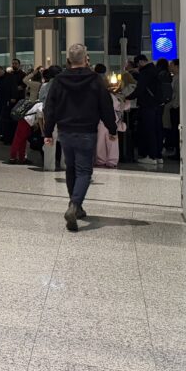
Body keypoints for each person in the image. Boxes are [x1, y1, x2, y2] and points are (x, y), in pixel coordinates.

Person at [43, 44, 118, 232]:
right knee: (84, 171)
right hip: (87, 131)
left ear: (68, 60)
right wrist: (112, 129)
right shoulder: (95, 80)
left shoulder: (58, 80)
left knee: (71, 168)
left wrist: (47, 132)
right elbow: (106, 106)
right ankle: (74, 206)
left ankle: (76, 206)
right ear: (86, 59)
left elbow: (50, 107)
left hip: (65, 131)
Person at [132, 54, 163, 165]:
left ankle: (151, 156)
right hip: (157, 105)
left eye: (137, 64)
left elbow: (140, 89)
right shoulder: (154, 70)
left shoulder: (145, 72)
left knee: (149, 131)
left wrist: (127, 97)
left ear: (140, 62)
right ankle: (158, 156)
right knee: (157, 130)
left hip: (147, 105)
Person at [164, 59, 180, 158]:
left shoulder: (178, 79)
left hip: (176, 106)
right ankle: (176, 151)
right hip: (174, 106)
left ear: (176, 66)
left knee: (176, 129)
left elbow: (177, 94)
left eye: (171, 65)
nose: (169, 67)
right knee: (174, 129)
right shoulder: (174, 78)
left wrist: (175, 104)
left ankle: (178, 152)